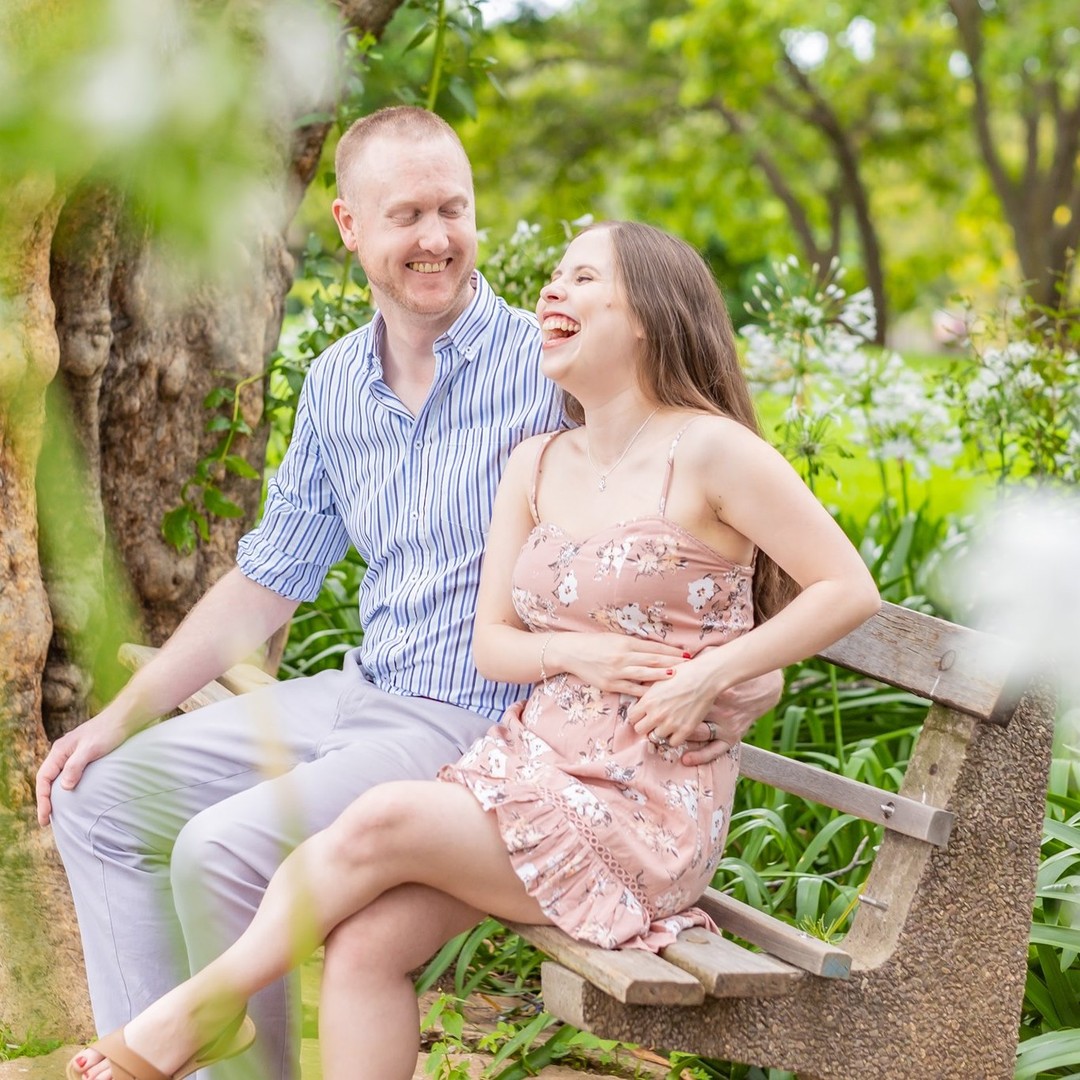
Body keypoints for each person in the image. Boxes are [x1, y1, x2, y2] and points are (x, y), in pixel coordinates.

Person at [40, 109, 782, 1080]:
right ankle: (154, 1049)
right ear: (350, 227)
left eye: (453, 209)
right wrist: (121, 716)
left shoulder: (551, 365)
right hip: (358, 696)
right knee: (100, 797)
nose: (435, 238)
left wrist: (734, 674)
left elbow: (696, 509)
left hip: (478, 727)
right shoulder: (338, 384)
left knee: (218, 851)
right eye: (407, 215)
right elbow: (270, 579)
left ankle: (203, 1050)